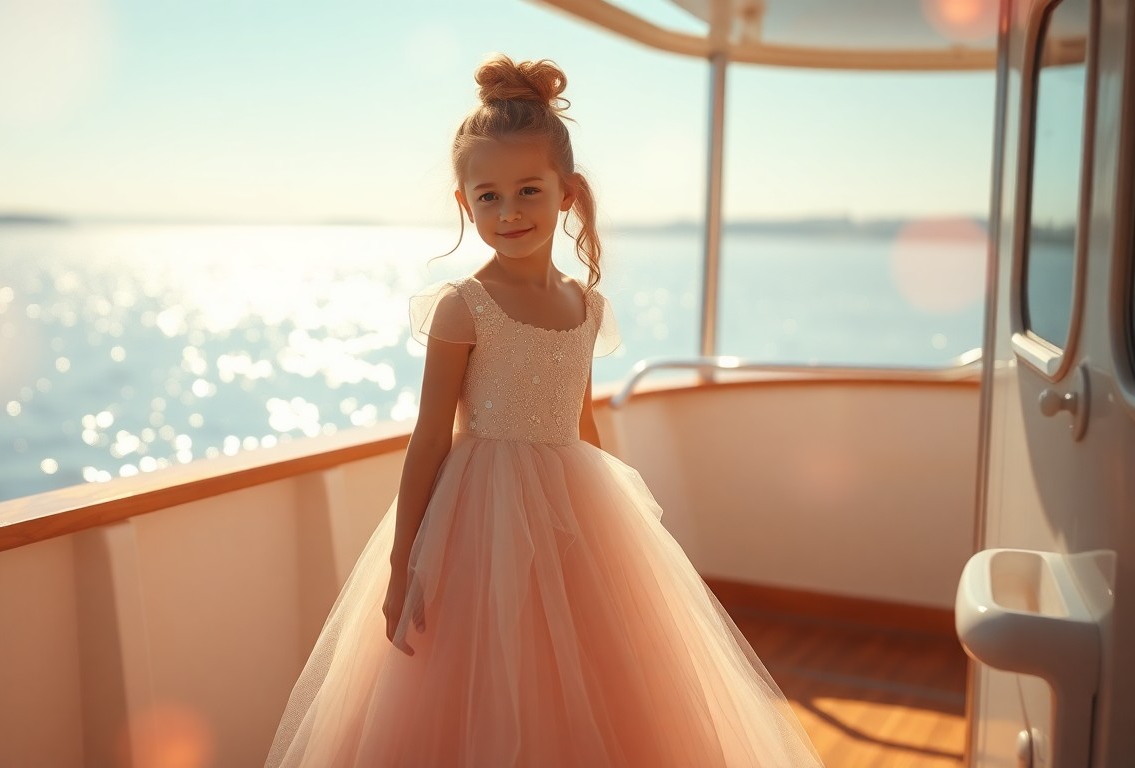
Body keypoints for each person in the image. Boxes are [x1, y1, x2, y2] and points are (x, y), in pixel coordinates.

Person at [265, 54, 824, 767]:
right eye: (489, 196)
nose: (510, 212)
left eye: (529, 190)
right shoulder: (462, 308)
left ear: (568, 193)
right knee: (480, 681)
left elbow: (581, 424)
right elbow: (430, 439)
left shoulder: (585, 305)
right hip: (476, 524)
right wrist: (404, 561)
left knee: (587, 681)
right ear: (465, 203)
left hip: (573, 517)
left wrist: (621, 521)